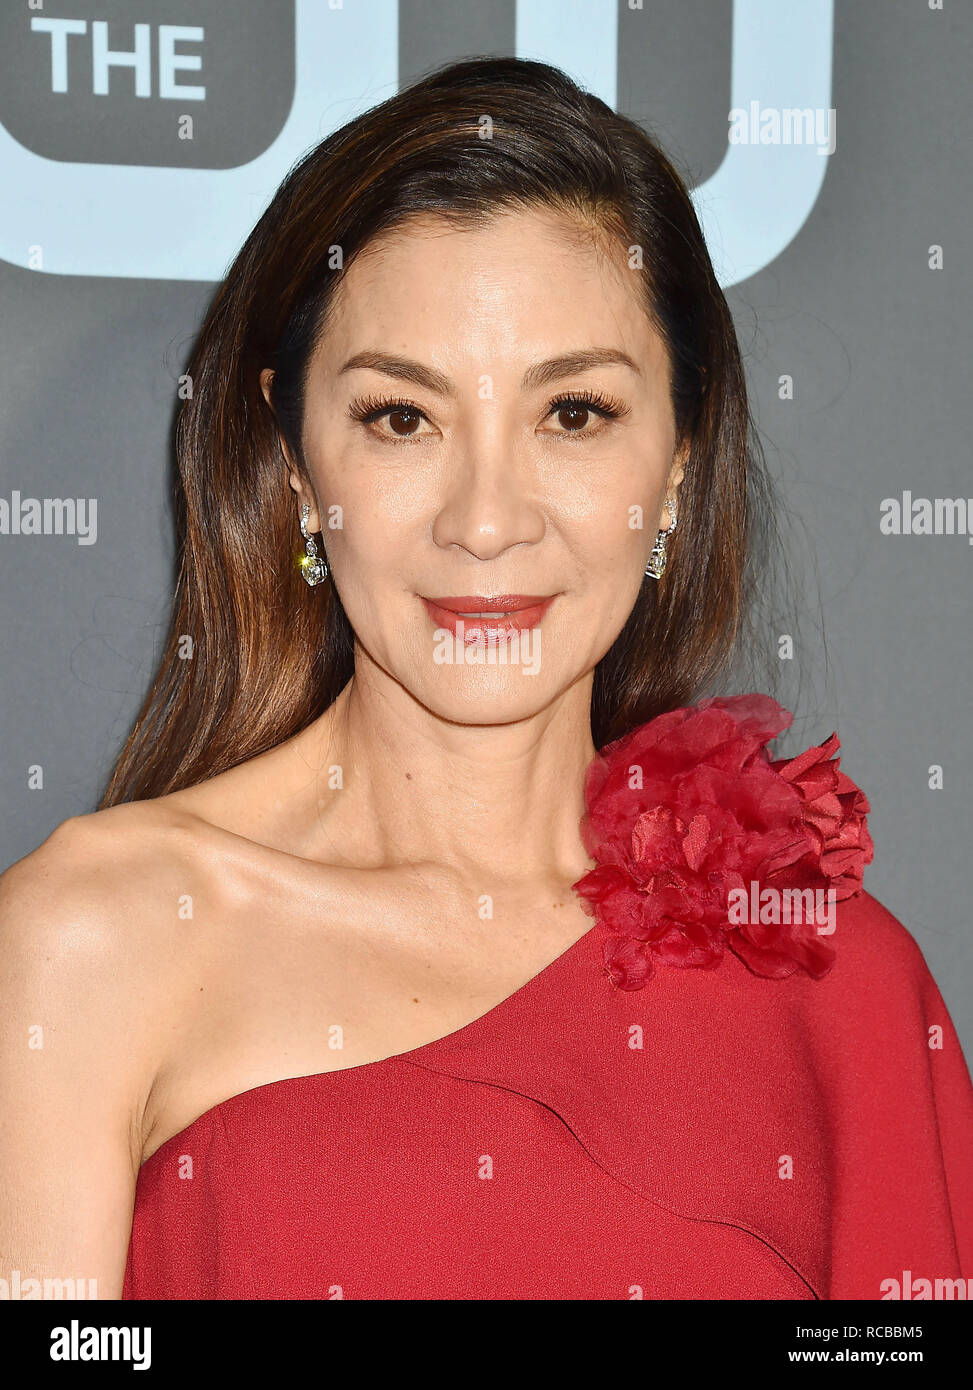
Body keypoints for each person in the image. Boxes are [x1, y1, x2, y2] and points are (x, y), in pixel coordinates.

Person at [1, 56, 970, 1302]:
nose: (487, 520)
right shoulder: (91, 940)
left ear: (677, 458)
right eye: (402, 418)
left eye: (572, 412)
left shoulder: (833, 977)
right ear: (295, 464)